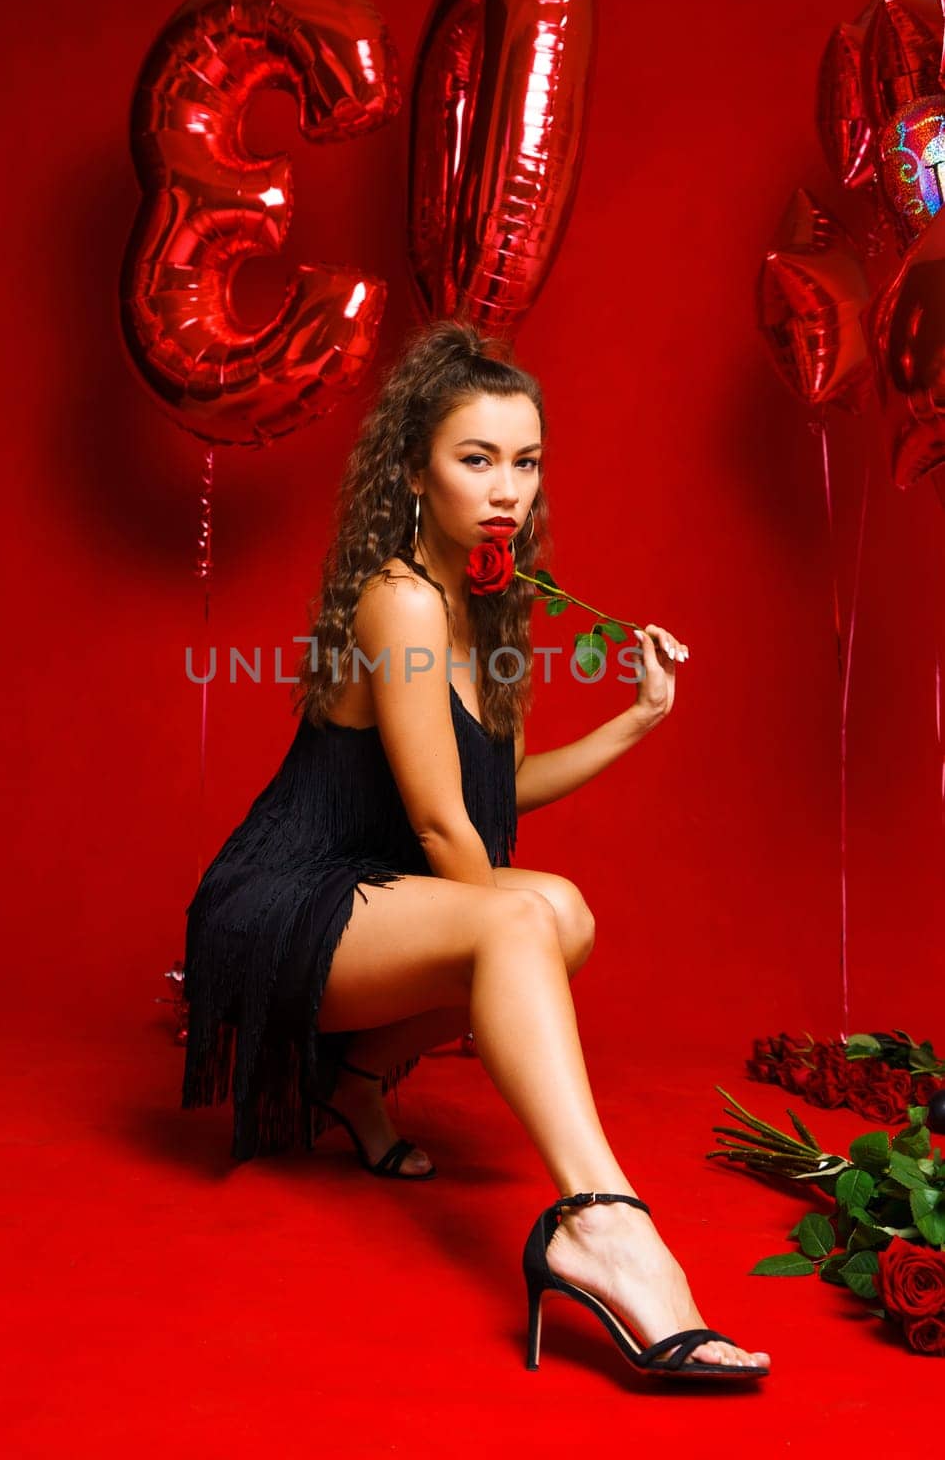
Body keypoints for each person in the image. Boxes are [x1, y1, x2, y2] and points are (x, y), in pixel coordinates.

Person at [181, 318, 771, 1382]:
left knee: (563, 911)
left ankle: (352, 1084)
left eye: (526, 462)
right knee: (521, 918)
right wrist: (503, 941)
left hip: (373, 891)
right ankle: (602, 1219)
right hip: (281, 900)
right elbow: (450, 833)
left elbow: (489, 796)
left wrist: (633, 720)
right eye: (475, 458)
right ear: (412, 470)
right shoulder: (400, 600)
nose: (506, 489)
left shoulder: (486, 604)